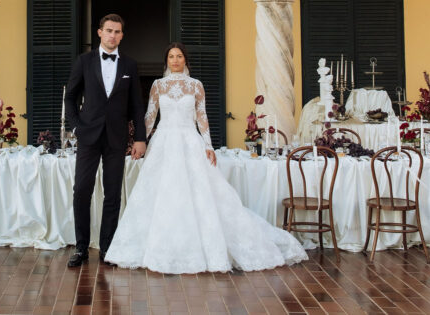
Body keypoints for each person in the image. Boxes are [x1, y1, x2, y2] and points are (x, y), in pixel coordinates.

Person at [104, 42, 307, 273]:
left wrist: (208, 145)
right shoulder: (158, 85)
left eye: (179, 56)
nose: (175, 60)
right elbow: (150, 116)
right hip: (163, 143)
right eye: (171, 56)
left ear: (185, 60)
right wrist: (139, 141)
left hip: (190, 141)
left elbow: (202, 117)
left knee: (199, 193)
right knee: (161, 192)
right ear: (166, 61)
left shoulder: (196, 86)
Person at [64, 14, 147, 268]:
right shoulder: (84, 61)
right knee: (82, 192)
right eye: (109, 30)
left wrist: (140, 139)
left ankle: (107, 248)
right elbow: (70, 97)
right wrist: (77, 127)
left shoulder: (130, 66)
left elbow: (136, 105)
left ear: (122, 35)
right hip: (89, 137)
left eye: (117, 31)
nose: (113, 35)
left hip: (116, 138)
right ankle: (81, 247)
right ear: (100, 32)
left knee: (112, 194)